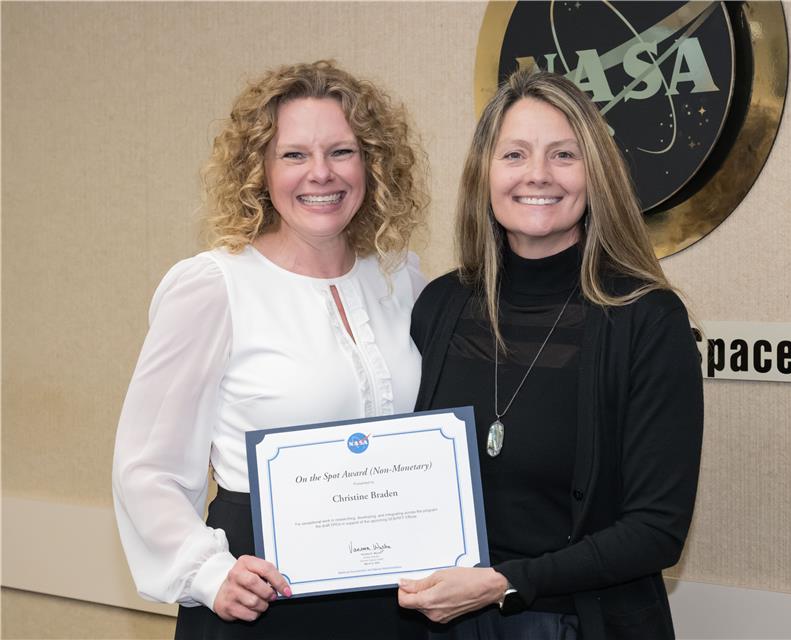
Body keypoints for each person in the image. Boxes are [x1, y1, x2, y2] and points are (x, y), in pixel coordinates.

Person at [112, 60, 429, 639]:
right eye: (293, 155)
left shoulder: (402, 278)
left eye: (342, 151)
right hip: (261, 592)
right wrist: (208, 573)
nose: (320, 174)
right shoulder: (213, 285)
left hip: (392, 597)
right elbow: (146, 467)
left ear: (372, 164)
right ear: (258, 169)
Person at [399, 68, 703, 640]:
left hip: (574, 622)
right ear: (484, 175)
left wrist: (505, 583)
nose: (537, 175)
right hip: (440, 624)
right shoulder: (440, 306)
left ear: (596, 175)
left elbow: (657, 529)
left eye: (564, 155)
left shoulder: (646, 319)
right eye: (514, 154)